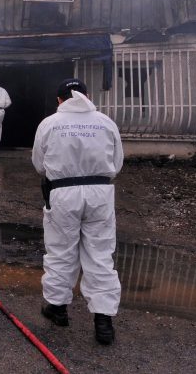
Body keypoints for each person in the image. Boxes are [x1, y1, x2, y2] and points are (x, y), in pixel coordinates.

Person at [31, 78, 123, 345]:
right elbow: (116, 163)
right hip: (100, 192)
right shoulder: (106, 122)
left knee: (61, 250)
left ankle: (57, 309)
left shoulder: (49, 124)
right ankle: (103, 321)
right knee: (100, 253)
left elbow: (39, 163)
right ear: (87, 95)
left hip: (62, 193)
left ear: (60, 100)